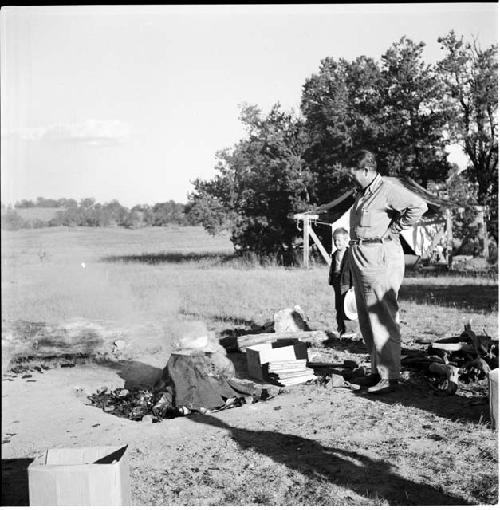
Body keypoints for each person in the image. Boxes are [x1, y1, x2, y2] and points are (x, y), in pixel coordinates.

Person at [347, 150, 427, 394]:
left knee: (382, 315)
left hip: (380, 256)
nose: (351, 177)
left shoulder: (387, 189)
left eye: (354, 173)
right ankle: (376, 371)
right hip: (361, 257)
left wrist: (395, 229)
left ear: (367, 171)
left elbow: (418, 206)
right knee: (365, 318)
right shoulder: (362, 193)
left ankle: (390, 377)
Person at [328, 227, 354, 336]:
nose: (336, 242)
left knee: (346, 306)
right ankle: (340, 329)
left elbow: (353, 270)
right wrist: (332, 280)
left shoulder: (350, 254)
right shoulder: (334, 254)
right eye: (335, 240)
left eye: (339, 240)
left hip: (346, 282)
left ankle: (349, 331)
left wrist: (353, 285)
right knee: (338, 305)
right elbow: (333, 268)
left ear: (346, 240)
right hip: (336, 281)